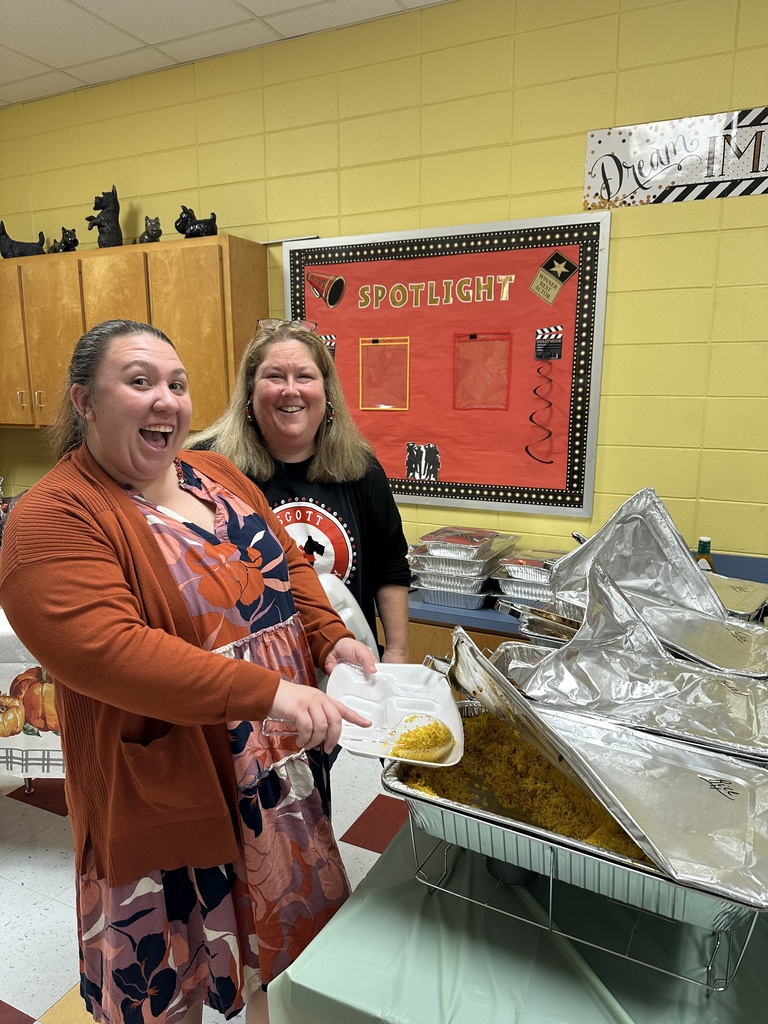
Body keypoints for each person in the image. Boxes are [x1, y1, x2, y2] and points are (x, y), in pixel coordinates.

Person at [0, 320, 377, 1024]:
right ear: (84, 401)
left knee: (283, 965)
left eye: (176, 384)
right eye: (139, 381)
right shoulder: (51, 518)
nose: (165, 399)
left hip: (277, 771)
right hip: (165, 790)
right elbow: (113, 652)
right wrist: (271, 691)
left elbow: (287, 563)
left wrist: (329, 639)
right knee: (169, 985)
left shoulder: (217, 473)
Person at [189, 319, 411, 663]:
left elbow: (390, 565)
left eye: (304, 376)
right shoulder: (209, 468)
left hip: (351, 665)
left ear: (327, 391)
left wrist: (397, 652)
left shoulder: (360, 467)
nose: (290, 390)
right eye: (275, 376)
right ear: (250, 392)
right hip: (255, 672)